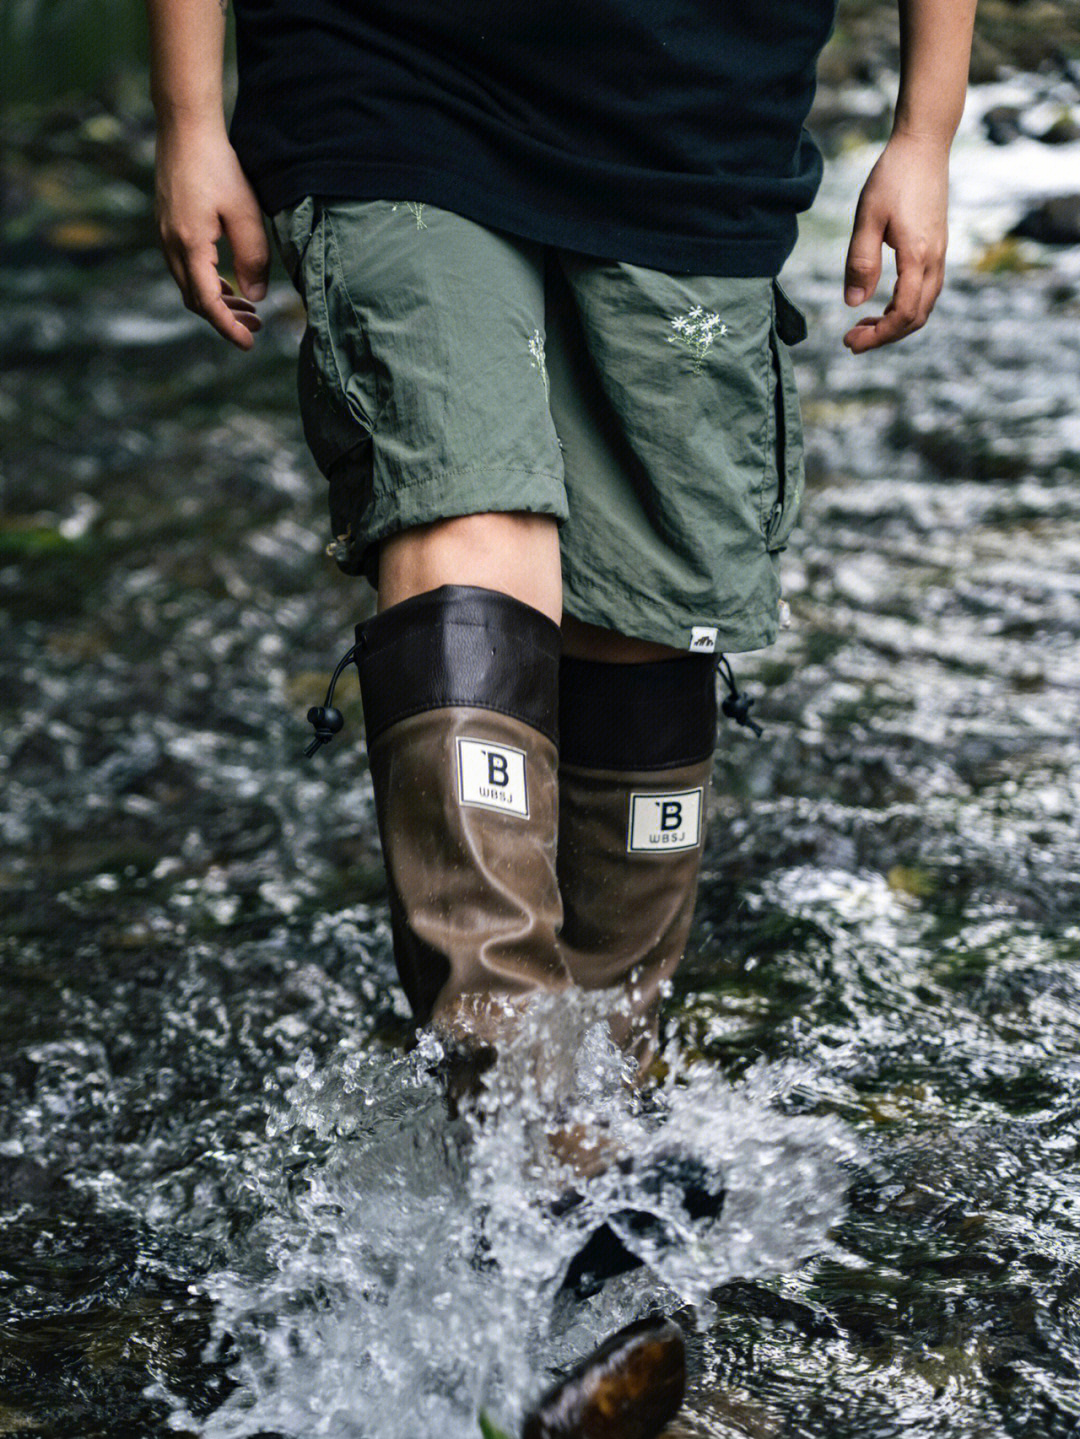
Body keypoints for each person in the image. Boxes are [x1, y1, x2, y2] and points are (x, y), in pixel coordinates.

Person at [145, 0, 978, 1071]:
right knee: (464, 508)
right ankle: (520, 1114)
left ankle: (609, 1093)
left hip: (698, 119)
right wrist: (189, 117)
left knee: (644, 611)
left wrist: (927, 129)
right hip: (385, 68)